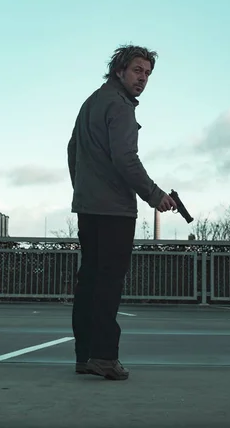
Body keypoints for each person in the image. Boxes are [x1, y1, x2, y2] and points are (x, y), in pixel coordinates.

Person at [67, 45, 176, 381]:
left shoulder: (92, 102)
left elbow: (73, 150)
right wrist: (155, 195)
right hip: (114, 210)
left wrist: (83, 188)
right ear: (120, 71)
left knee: (89, 281)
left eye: (147, 73)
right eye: (137, 71)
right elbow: (126, 158)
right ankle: (104, 357)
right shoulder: (121, 107)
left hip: (88, 206)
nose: (142, 79)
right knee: (108, 283)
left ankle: (86, 355)